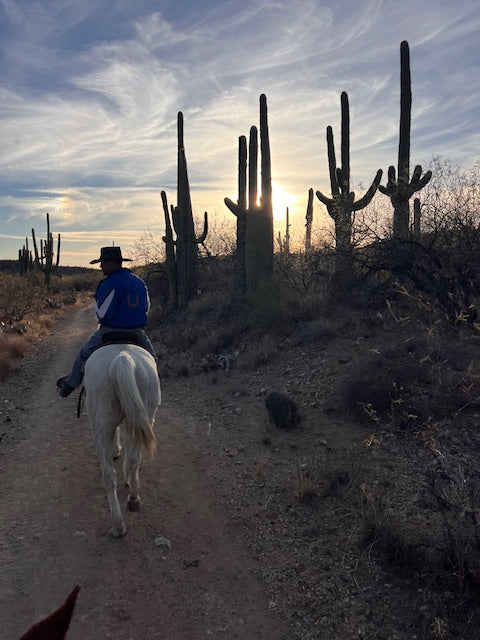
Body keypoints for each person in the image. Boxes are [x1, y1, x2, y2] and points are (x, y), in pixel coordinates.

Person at [56, 246, 157, 398]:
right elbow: (146, 308)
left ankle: (70, 384)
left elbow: (103, 314)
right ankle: (155, 385)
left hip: (109, 331)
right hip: (136, 332)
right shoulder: (139, 282)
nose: (101, 266)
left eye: (103, 262)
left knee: (83, 355)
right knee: (153, 359)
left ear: (113, 263)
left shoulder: (108, 284)